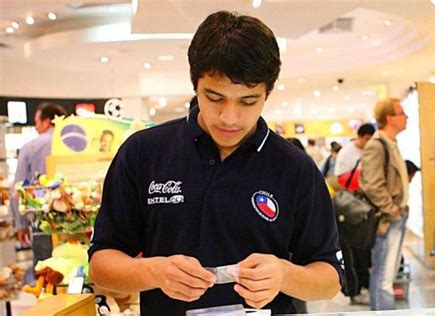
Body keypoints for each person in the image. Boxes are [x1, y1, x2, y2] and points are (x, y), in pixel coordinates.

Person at [89, 11, 342, 315]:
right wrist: (155, 272)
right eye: (214, 97)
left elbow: (329, 278)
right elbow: (101, 264)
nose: (229, 118)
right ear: (195, 84)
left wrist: (285, 275)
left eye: (248, 101)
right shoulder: (144, 152)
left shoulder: (295, 168)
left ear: (268, 92)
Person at [360, 98, 409, 310]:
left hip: (395, 217)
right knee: (383, 279)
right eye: (401, 113)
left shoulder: (391, 144)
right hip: (387, 221)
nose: (406, 117)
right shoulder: (377, 145)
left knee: (386, 277)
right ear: (390, 118)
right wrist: (393, 212)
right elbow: (372, 185)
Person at [11, 102, 68, 260]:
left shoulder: (30, 147)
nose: (36, 127)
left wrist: (20, 225)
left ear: (48, 121)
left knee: (46, 272)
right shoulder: (74, 144)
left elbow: (18, 189)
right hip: (78, 220)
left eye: (37, 122)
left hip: (42, 220)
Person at [334, 123, 375, 305]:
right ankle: (354, 290)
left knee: (363, 250)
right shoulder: (347, 153)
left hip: (364, 208)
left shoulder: (370, 150)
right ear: (363, 137)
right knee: (351, 252)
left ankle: (362, 287)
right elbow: (340, 179)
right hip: (350, 209)